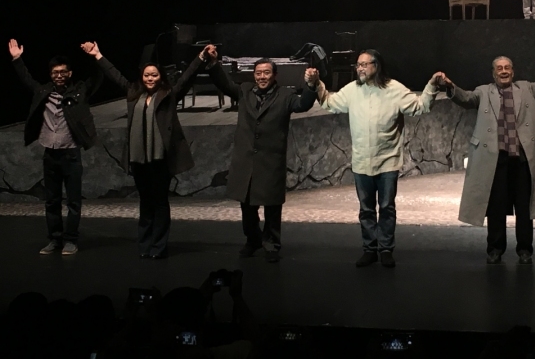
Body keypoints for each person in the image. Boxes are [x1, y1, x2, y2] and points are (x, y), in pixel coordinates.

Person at [307, 50, 442, 268]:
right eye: (358, 65)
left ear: (376, 65)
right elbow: (329, 102)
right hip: (362, 161)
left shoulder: (394, 89)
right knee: (366, 210)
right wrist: (316, 84)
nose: (359, 68)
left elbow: (420, 106)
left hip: (387, 161)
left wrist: (432, 86)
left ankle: (386, 249)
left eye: (364, 64)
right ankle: (369, 249)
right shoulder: (352, 90)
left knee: (387, 207)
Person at [438, 41, 535, 265]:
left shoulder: (526, 89)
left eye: (507, 68)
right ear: (493, 73)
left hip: (522, 159)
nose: (504, 71)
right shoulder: (483, 92)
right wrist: (450, 86)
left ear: (513, 72)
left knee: (524, 208)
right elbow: (465, 98)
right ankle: (495, 248)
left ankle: (525, 249)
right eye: (499, 68)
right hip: (495, 159)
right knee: (495, 207)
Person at [81, 40, 211, 259]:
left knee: (160, 203)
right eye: (147, 75)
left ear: (160, 77)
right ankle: (145, 244)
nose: (150, 79)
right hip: (139, 159)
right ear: (142, 77)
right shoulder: (133, 93)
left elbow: (187, 77)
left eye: (154, 75)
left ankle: (159, 246)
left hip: (160, 159)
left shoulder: (169, 94)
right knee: (145, 203)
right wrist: (97, 55)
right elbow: (115, 75)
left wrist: (201, 58)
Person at [206, 52, 318, 262]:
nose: (262, 77)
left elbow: (302, 105)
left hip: (270, 161)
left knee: (272, 208)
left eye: (266, 73)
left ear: (274, 75)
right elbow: (225, 85)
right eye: (258, 73)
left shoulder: (285, 95)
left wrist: (311, 85)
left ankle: (272, 244)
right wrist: (212, 64)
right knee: (247, 208)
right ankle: (253, 240)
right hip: (246, 162)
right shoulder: (245, 91)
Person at [8, 39, 103, 255]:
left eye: (62, 72)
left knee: (73, 201)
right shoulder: (44, 91)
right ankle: (54, 239)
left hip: (71, 154)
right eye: (55, 72)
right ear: (51, 74)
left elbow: (97, 78)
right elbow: (27, 79)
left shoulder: (79, 91)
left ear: (69, 73)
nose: (59, 75)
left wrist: (95, 57)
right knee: (52, 201)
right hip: (50, 154)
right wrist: (17, 59)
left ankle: (71, 240)